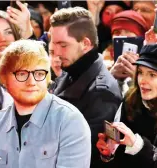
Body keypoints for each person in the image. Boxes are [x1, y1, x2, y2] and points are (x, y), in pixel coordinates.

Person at [0, 39, 91, 167]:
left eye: (39, 73)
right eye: (22, 74)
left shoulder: (70, 121)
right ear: (4, 79)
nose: (31, 82)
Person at [96, 43, 157, 168]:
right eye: (141, 72)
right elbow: (120, 158)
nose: (142, 80)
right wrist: (108, 154)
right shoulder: (131, 101)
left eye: (152, 75)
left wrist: (139, 146)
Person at [50, 7, 122, 168]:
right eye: (54, 44)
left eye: (63, 45)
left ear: (85, 44)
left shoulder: (102, 93)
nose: (56, 52)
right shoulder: (71, 71)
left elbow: (90, 154)